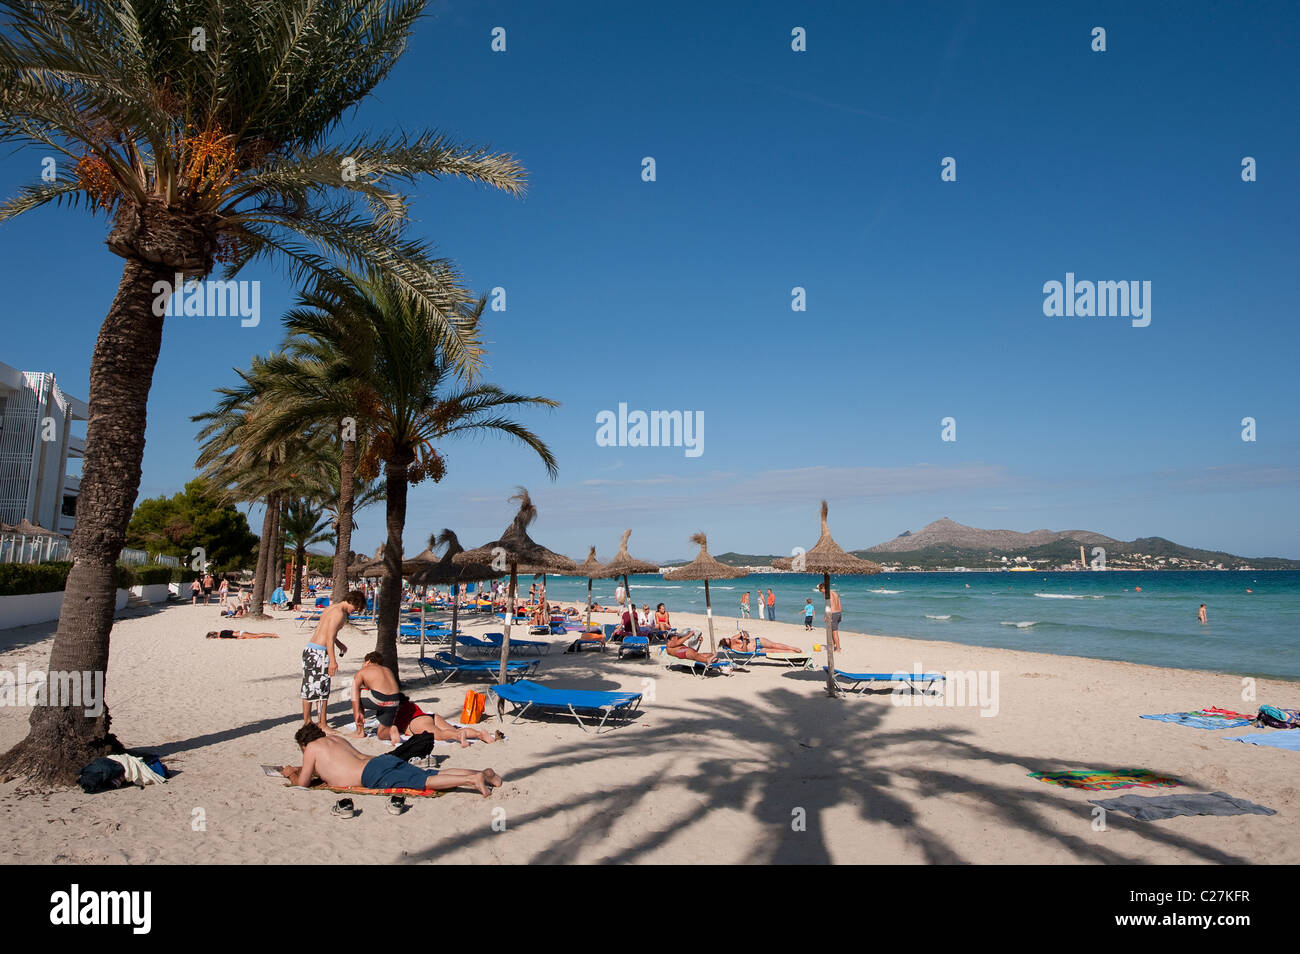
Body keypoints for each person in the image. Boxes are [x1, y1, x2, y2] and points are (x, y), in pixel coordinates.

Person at [281, 724, 502, 797]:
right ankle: (482, 774)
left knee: (423, 782)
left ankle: (473, 780)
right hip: (380, 762)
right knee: (428, 774)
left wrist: (291, 774)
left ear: (304, 744)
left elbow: (302, 785)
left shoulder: (310, 748)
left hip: (372, 775)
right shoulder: (334, 739)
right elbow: (339, 762)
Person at [350, 653, 500, 747]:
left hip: (416, 722)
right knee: (453, 729)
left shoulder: (365, 674)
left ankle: (457, 736)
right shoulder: (391, 682)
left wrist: (359, 712)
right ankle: (480, 734)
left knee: (440, 735)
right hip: (429, 716)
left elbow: (356, 694)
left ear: (368, 661)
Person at [301, 588, 363, 731]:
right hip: (320, 653)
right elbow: (329, 638)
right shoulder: (339, 614)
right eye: (356, 607)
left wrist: (339, 644)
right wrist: (333, 661)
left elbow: (327, 631)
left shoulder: (331, 608)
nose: (355, 610)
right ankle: (322, 724)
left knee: (308, 687)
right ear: (352, 602)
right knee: (322, 689)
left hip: (309, 649)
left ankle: (307, 721)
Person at [719, 630, 803, 654]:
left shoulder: (733, 638)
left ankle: (793, 648)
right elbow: (744, 651)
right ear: (729, 645)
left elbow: (743, 632)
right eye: (729, 641)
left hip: (757, 641)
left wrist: (745, 635)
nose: (731, 640)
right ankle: (792, 652)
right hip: (756, 650)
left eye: (728, 638)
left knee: (774, 645)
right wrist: (744, 641)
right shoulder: (734, 647)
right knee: (774, 651)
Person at [816, 582, 843, 652]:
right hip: (838, 613)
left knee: (834, 632)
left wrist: (826, 615)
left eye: (820, 590)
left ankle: (838, 649)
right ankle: (833, 646)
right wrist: (840, 614)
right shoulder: (835, 593)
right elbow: (840, 605)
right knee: (833, 631)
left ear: (824, 588)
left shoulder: (827, 594)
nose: (821, 592)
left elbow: (828, 605)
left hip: (832, 614)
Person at [207, 629, 277, 639]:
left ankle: (273, 635)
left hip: (240, 634)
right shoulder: (222, 631)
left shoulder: (221, 636)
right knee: (257, 634)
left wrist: (238, 638)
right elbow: (231, 631)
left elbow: (230, 637)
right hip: (240, 631)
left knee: (257, 636)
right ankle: (271, 634)